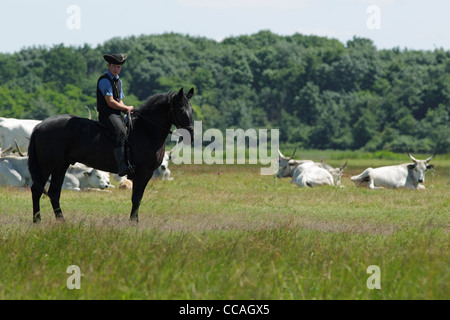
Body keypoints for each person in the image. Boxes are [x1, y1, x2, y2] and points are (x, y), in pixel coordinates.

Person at [97, 53, 135, 176]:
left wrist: (127, 110)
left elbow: (119, 100)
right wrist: (126, 108)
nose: (116, 69)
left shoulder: (119, 81)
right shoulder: (104, 80)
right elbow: (110, 102)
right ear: (108, 66)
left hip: (116, 114)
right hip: (107, 115)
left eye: (118, 67)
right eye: (113, 66)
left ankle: (130, 160)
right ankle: (122, 166)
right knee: (121, 132)